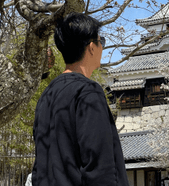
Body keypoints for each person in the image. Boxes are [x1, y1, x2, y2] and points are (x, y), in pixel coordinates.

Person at [32, 13, 129, 186]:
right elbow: (100, 167)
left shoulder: (46, 95)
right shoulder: (87, 92)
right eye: (102, 42)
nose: (102, 48)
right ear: (92, 47)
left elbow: (40, 164)